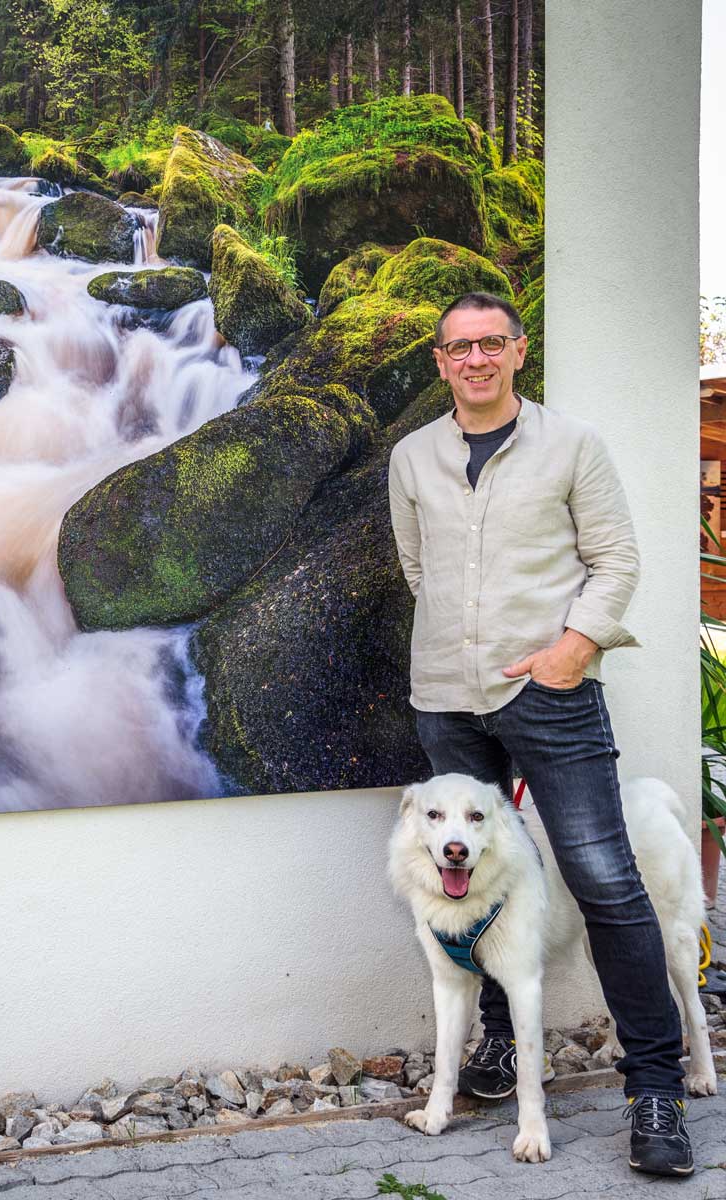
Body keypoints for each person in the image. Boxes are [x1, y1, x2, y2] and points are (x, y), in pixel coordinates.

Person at [387, 291, 694, 1178]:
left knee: (603, 877)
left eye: (492, 344)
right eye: (458, 348)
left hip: (549, 696)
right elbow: (418, 566)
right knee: (471, 882)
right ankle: (493, 1048)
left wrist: (571, 649)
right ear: (440, 362)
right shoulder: (412, 458)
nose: (476, 360)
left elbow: (618, 558)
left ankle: (655, 1089)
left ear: (519, 352)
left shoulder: (573, 445)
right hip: (447, 696)